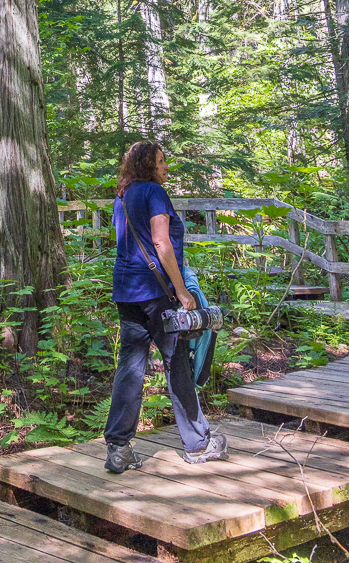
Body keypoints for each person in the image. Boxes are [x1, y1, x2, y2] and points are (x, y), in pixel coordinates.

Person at [103, 140, 228, 473]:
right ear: (148, 164)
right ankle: (199, 444)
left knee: (130, 367)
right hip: (156, 293)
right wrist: (182, 289)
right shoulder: (154, 194)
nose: (166, 167)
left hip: (126, 292)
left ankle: (118, 448)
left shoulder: (123, 197)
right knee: (177, 364)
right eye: (161, 161)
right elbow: (160, 243)